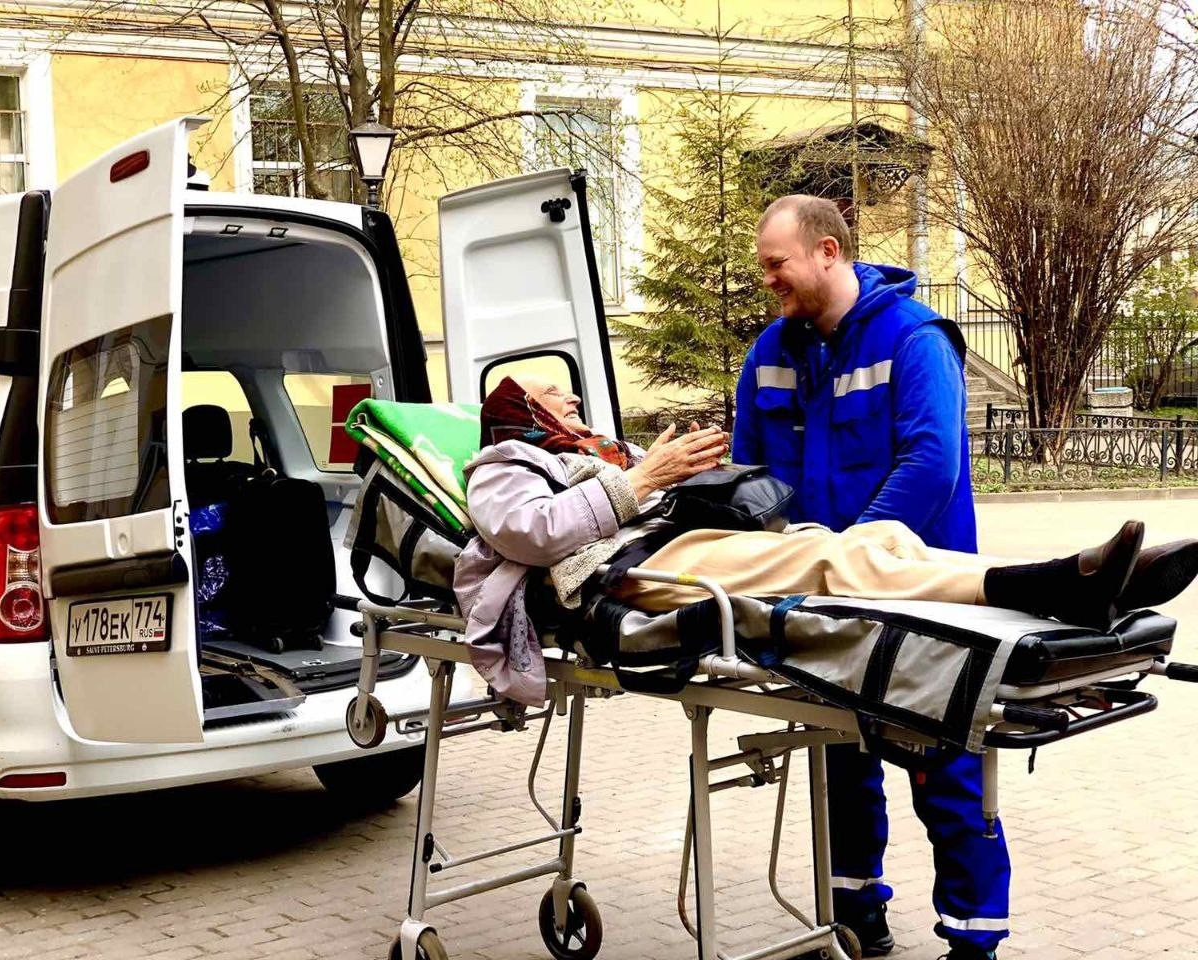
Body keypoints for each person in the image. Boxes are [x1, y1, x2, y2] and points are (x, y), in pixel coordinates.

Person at [729, 194, 1188, 960]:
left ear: (828, 252)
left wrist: (856, 555)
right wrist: (776, 559)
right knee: (839, 762)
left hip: (917, 594)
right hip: (815, 597)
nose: (768, 279)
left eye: (777, 264)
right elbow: (749, 474)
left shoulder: (913, 340)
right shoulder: (771, 354)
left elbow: (932, 464)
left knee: (943, 767)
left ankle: (974, 944)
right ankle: (855, 914)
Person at [454, 374, 1197, 718]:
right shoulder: (504, 463)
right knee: (831, 562)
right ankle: (1055, 584)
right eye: (555, 396)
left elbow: (641, 496)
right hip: (633, 571)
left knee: (883, 538)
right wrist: (642, 478)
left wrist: (672, 473)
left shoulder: (595, 454)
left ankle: (1081, 582)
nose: (574, 400)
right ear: (524, 416)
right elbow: (528, 534)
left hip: (677, 542)